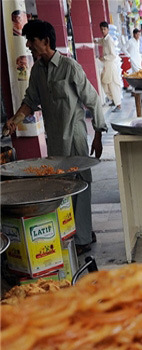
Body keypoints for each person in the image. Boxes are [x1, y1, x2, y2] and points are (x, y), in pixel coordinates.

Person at [4, 20, 107, 255]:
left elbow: (92, 100)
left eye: (32, 40)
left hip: (76, 138)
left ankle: (82, 239)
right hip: (56, 144)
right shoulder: (37, 71)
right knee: (63, 189)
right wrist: (14, 121)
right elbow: (30, 101)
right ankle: (79, 231)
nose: (28, 45)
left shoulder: (70, 67)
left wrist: (98, 135)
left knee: (82, 186)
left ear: (46, 41)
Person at [99, 21, 122, 112]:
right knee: (105, 83)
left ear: (108, 29)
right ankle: (113, 99)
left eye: (105, 29)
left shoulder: (109, 40)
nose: (103, 31)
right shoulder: (105, 39)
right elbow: (100, 41)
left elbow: (113, 55)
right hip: (107, 65)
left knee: (112, 84)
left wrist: (103, 58)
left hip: (110, 64)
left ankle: (118, 104)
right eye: (102, 29)